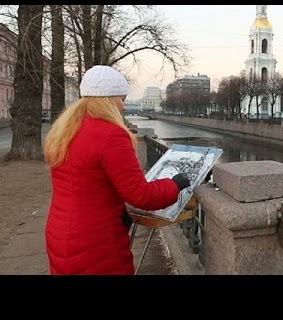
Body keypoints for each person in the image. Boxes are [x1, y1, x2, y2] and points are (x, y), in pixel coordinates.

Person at [44, 65, 190, 275]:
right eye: (122, 98)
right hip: (95, 242)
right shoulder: (111, 135)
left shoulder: (65, 130)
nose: (124, 106)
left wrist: (117, 211)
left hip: (61, 233)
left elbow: (86, 185)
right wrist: (176, 183)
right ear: (108, 99)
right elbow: (142, 195)